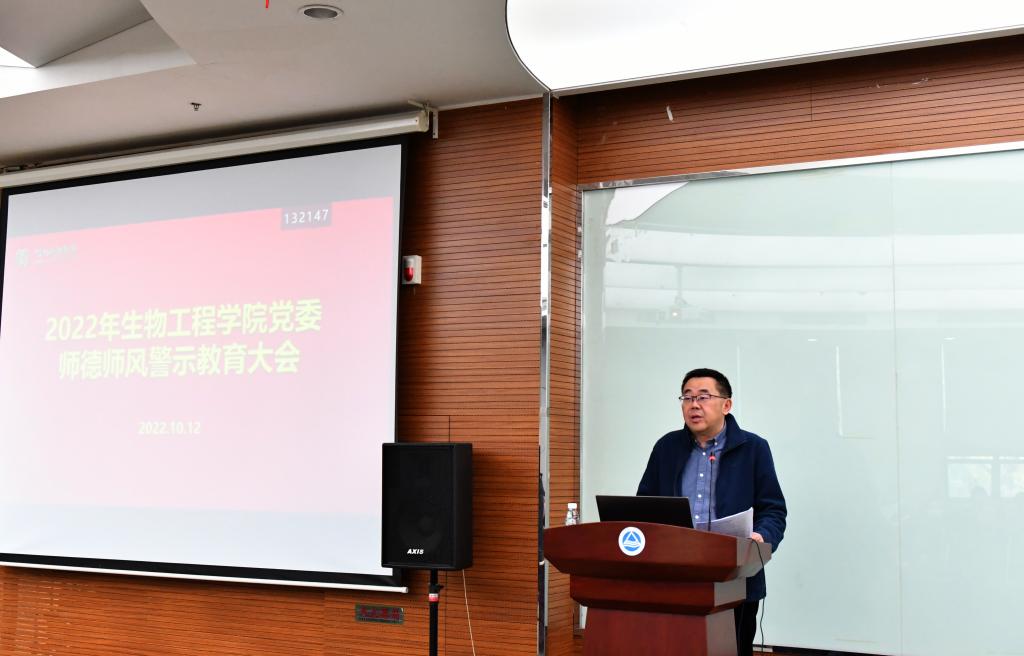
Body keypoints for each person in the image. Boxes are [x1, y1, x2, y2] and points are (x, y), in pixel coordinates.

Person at [637, 368, 786, 656]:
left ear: (726, 404)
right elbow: (644, 505)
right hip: (674, 575)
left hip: (734, 577)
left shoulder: (754, 448)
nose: (694, 405)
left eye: (703, 397)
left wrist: (761, 537)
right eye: (687, 397)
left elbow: (773, 510)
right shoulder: (667, 448)